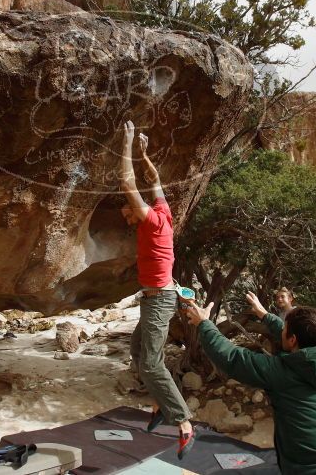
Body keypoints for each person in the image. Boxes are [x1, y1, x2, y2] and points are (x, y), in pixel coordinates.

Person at [186, 292, 316, 474]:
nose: (281, 329)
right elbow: (294, 337)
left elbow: (232, 357)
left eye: (285, 328)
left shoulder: (282, 374)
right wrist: (265, 315)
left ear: (292, 340)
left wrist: (204, 323)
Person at [120, 120, 194, 459]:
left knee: (150, 364)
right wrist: (144, 153)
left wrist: (128, 141)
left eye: (128, 211)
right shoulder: (163, 212)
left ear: (140, 213)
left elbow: (129, 182)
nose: (126, 213)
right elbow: (155, 179)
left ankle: (183, 422)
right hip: (157, 297)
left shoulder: (151, 221)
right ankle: (160, 404)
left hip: (159, 300)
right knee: (139, 349)